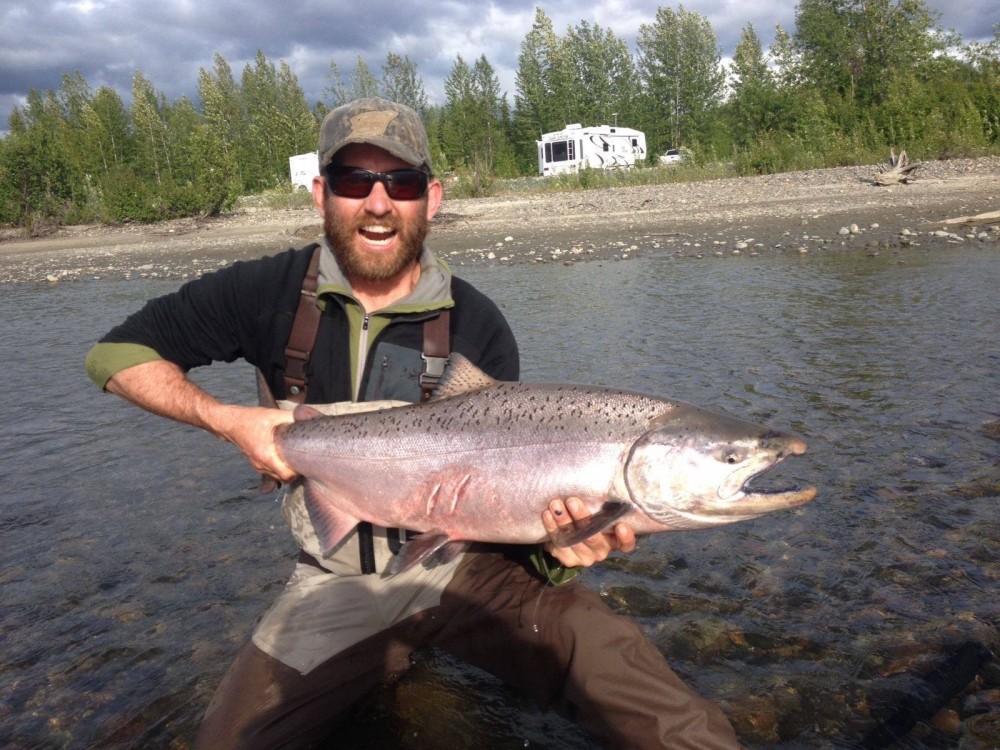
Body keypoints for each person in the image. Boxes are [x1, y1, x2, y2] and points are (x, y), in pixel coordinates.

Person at [85, 98, 741, 749]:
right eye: (353, 181)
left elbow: (516, 516)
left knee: (663, 715)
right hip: (334, 581)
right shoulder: (267, 293)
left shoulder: (477, 324)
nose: (378, 202)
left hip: (469, 570)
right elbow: (115, 356)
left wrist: (565, 551)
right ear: (321, 194)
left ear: (431, 197)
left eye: (399, 182)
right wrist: (229, 421)